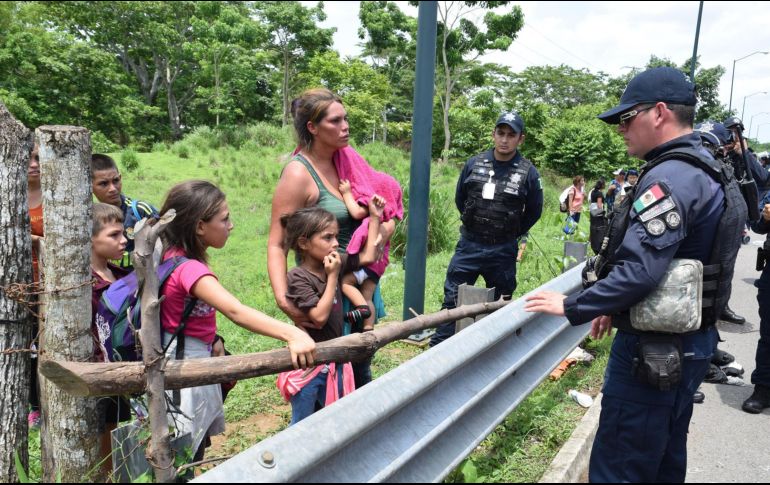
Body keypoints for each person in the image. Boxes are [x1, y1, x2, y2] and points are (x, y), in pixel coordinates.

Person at [524, 67, 745, 482]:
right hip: (690, 343)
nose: (621, 129)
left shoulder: (670, 177)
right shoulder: (707, 166)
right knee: (662, 461)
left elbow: (641, 271)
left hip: (655, 352)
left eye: (628, 118)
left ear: (659, 113)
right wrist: (617, 307)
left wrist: (575, 305)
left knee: (622, 467)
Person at [157, 180, 316, 458]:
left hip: (185, 353)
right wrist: (293, 334)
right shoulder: (190, 269)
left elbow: (180, 312)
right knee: (183, 453)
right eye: (224, 218)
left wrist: (213, 338)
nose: (231, 225)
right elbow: (235, 310)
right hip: (185, 368)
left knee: (188, 449)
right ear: (199, 226)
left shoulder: (171, 255)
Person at [268, 88, 397, 388]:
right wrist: (284, 301)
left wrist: (386, 229)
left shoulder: (347, 161)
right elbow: (277, 243)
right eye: (335, 121)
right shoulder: (299, 175)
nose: (345, 126)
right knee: (326, 380)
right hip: (324, 293)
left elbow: (379, 211)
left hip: (358, 279)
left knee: (360, 372)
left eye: (346, 119)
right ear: (312, 127)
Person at [430, 111, 543, 347]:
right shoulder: (474, 164)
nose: (504, 139)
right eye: (500, 133)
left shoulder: (528, 172)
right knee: (452, 302)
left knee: (501, 305)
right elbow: (460, 199)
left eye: (511, 135)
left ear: (520, 139)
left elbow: (534, 211)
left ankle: (494, 357)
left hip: (503, 250)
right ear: (493, 134)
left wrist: (510, 232)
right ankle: (436, 354)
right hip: (469, 245)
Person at [277, 201, 384, 424]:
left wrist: (375, 217)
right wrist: (333, 276)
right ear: (304, 243)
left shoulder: (334, 261)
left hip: (334, 358)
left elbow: (368, 256)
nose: (335, 243)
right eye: (327, 238)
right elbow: (318, 317)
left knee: (333, 417)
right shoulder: (298, 277)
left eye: (335, 237)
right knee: (303, 422)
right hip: (309, 364)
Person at [89, 203, 131, 476]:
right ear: (89, 239)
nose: (124, 240)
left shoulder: (121, 274)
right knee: (105, 441)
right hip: (98, 374)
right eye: (114, 235)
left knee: (122, 436)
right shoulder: (85, 284)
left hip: (123, 369)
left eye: (123, 233)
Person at [339, 178, 399, 331]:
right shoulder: (386, 220)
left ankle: (362, 309)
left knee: (346, 282)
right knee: (367, 295)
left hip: (366, 264)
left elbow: (356, 214)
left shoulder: (370, 220)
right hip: (378, 267)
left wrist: (346, 193)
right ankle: (368, 328)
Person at [90, 154, 158, 269]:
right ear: (90, 185)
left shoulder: (140, 211)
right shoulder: (89, 216)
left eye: (115, 181)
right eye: (103, 183)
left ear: (120, 178)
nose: (112, 188)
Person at [27, 144, 43, 430]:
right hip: (20, 286)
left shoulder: (57, 196)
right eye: (27, 158)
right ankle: (33, 404)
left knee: (45, 345)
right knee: (24, 348)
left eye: (38, 158)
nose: (33, 164)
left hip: (48, 285)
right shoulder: (8, 194)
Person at [588, 178, 606, 254]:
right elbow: (599, 205)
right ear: (602, 185)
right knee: (598, 228)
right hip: (597, 212)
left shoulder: (592, 191)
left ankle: (591, 240)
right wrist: (602, 211)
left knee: (592, 225)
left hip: (592, 211)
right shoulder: (599, 193)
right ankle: (598, 243)